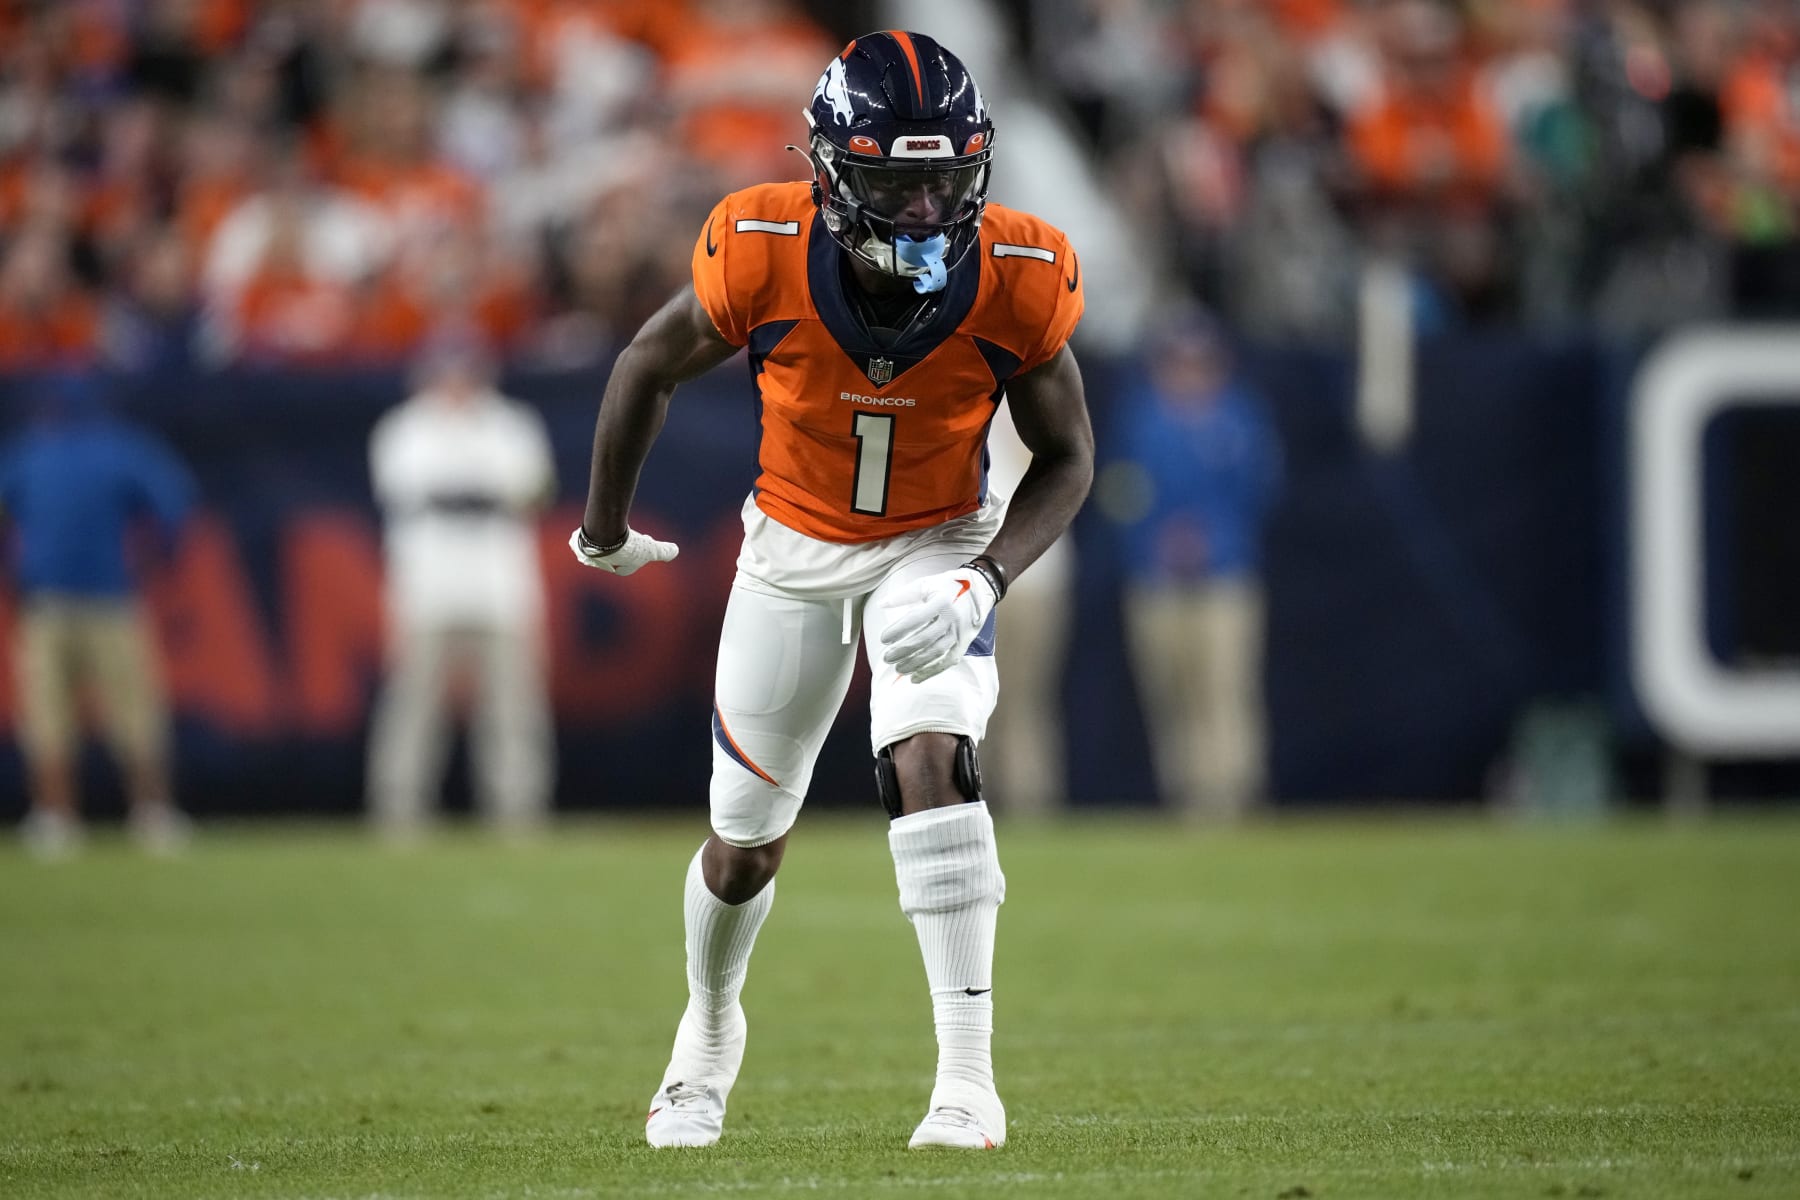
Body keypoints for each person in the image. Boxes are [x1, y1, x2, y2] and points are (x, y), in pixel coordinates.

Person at [570, 32, 1092, 1150]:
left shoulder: (1018, 270)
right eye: (897, 181)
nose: (922, 208)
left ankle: (967, 1079)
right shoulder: (757, 246)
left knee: (928, 751)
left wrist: (984, 576)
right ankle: (708, 1033)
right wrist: (602, 529)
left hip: (936, 541)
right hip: (793, 552)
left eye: (946, 177)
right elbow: (645, 366)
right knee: (744, 838)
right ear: (830, 172)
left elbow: (1069, 454)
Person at [365, 336, 557, 838]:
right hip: (425, 588)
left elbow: (532, 491)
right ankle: (398, 813)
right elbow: (408, 489)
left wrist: (474, 494)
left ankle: (519, 813)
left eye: (464, 370)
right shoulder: (405, 427)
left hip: (500, 588)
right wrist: (484, 493)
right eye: (446, 371)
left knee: (513, 710)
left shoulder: (510, 424)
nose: (455, 383)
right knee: (412, 706)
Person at [0, 372, 196, 857]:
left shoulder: (33, 450)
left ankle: (56, 817)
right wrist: (156, 561)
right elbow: (174, 505)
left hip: (49, 599)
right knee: (133, 709)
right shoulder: (118, 448)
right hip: (109, 596)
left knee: (49, 713)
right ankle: (151, 813)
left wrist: (15, 570)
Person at [1113, 311, 1282, 821]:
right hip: (1156, 575)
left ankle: (1231, 792)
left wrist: (1208, 538)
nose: (1188, 372)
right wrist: (1154, 536)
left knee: (1225, 685)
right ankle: (1184, 794)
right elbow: (1119, 491)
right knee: (1170, 688)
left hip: (1224, 574)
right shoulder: (1142, 419)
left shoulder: (1239, 419)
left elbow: (1261, 492)